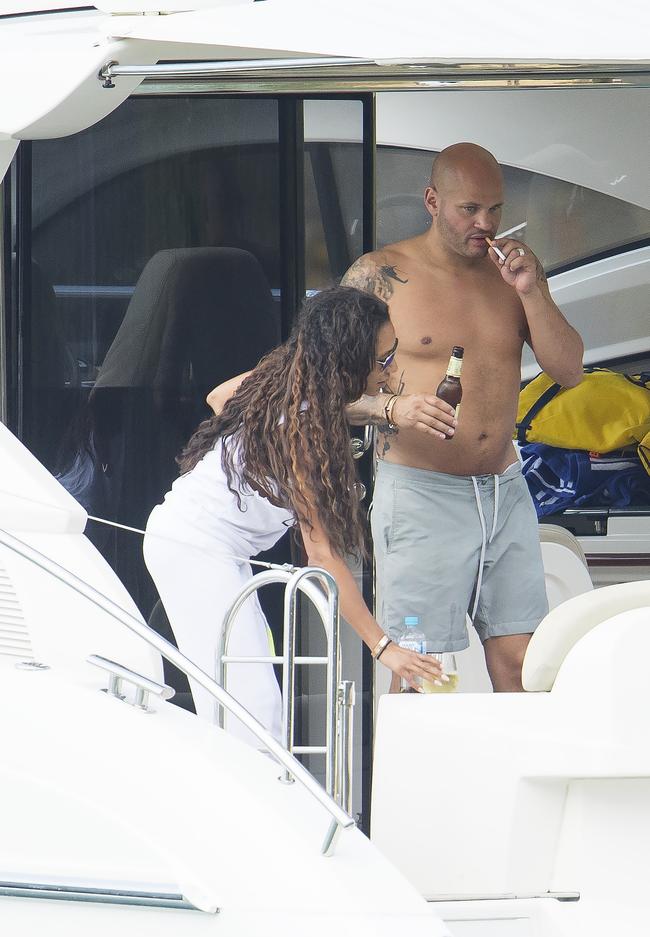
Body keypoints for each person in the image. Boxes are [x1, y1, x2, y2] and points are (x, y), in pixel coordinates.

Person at [144, 286, 443, 745]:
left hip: (206, 547)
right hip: (195, 549)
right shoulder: (302, 428)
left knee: (246, 702)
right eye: (384, 360)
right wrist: (384, 648)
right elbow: (321, 555)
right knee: (249, 714)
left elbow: (221, 396)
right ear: (346, 361)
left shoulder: (289, 379)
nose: (392, 370)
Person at [341, 142, 584, 692]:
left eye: (495, 210)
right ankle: (422, 780)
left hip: (504, 488)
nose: (485, 223)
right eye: (468, 209)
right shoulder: (380, 274)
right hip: (421, 491)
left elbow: (569, 371)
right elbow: (321, 393)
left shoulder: (513, 274)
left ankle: (515, 778)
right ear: (432, 200)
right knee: (422, 671)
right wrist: (393, 407)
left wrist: (534, 291)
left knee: (525, 663)